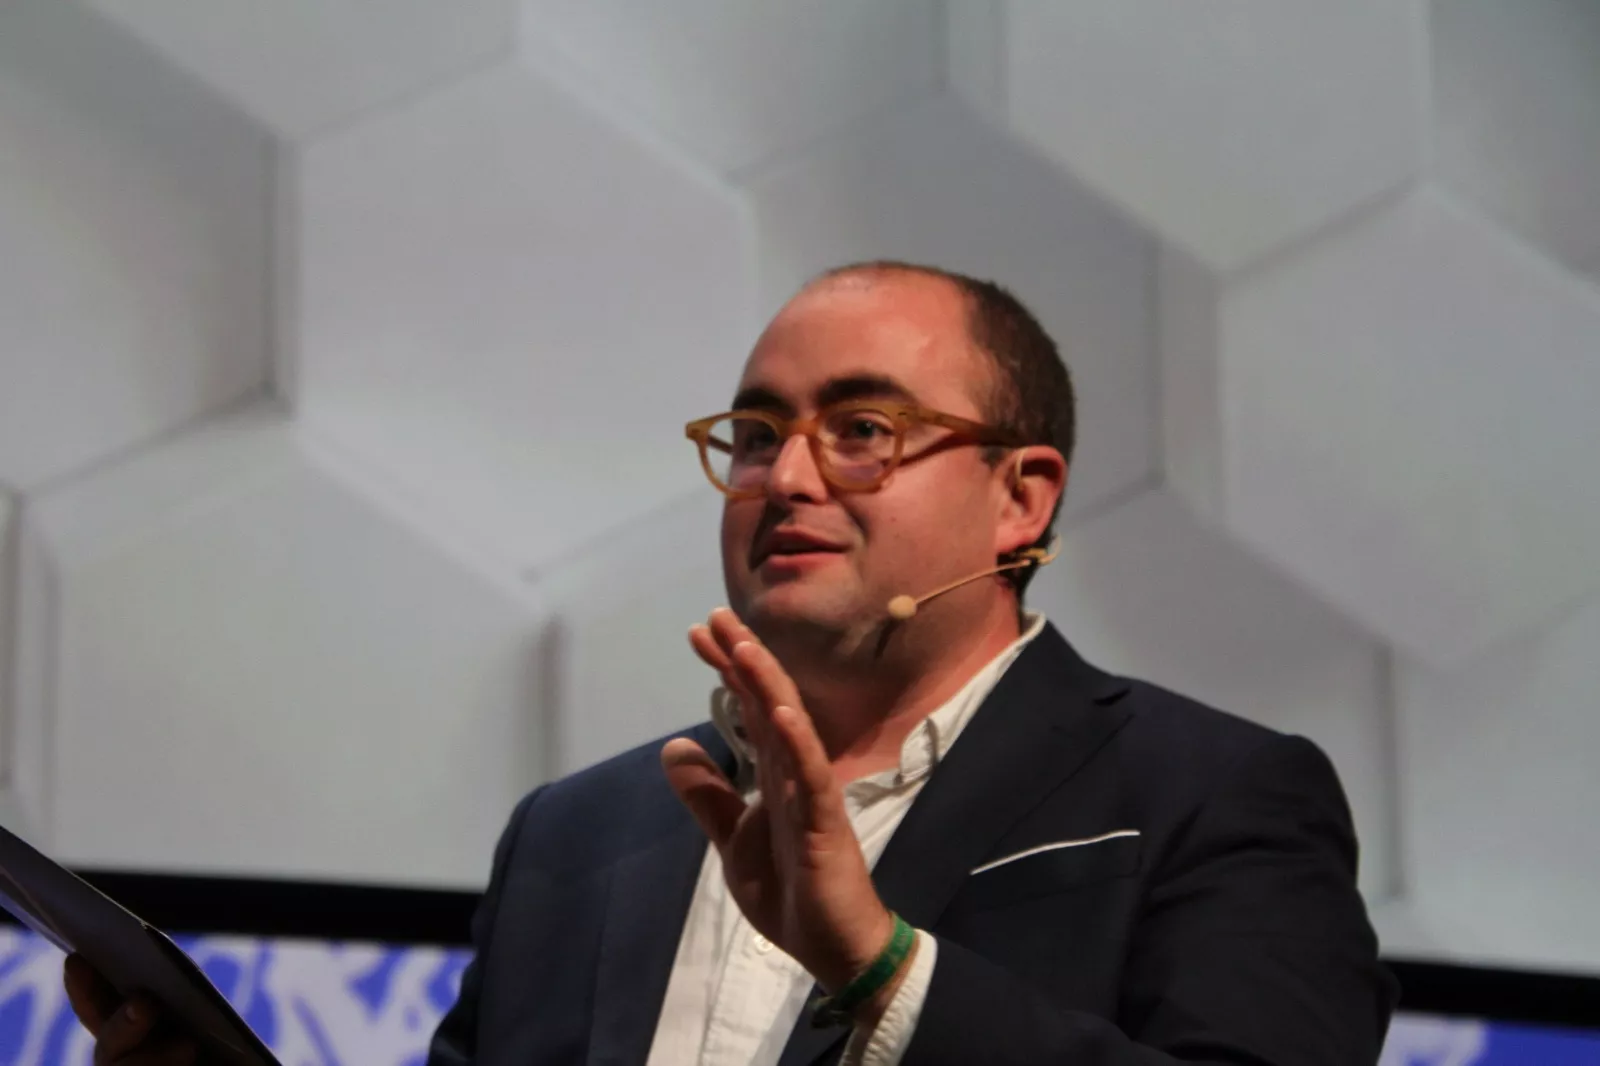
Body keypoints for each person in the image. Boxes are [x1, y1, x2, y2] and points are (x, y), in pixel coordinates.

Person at [66, 261, 1398, 1064]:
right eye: (757, 434)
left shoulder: (1210, 796)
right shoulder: (581, 837)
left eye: (862, 426)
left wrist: (880, 965)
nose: (786, 474)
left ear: (1019, 498)